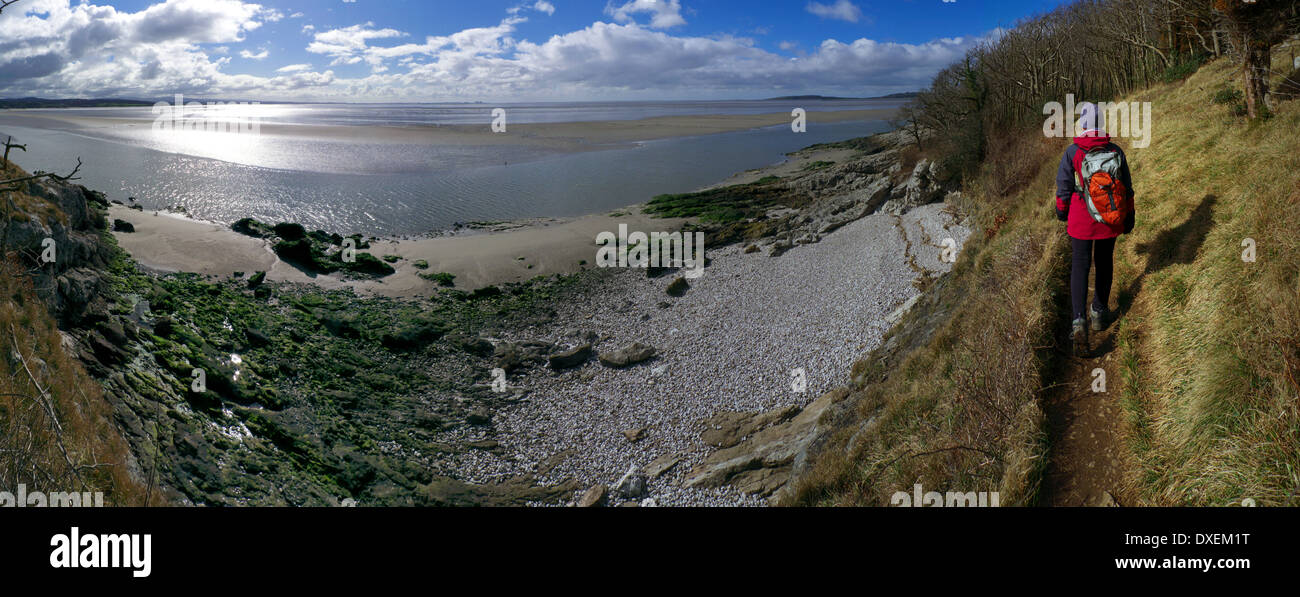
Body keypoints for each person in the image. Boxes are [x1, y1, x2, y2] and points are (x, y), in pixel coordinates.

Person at [1055, 102, 1135, 353]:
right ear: (1100, 123)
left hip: (1081, 219)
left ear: (1083, 124)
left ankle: (1079, 321)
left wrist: (1061, 210)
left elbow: (1064, 186)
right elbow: (1126, 186)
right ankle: (1099, 313)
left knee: (1080, 265)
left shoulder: (1072, 152)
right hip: (1109, 219)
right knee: (1104, 262)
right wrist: (1129, 215)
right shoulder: (1115, 150)